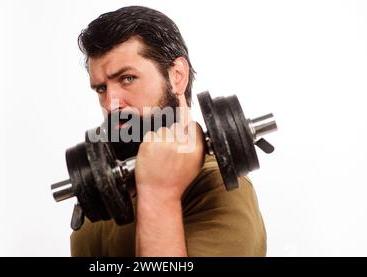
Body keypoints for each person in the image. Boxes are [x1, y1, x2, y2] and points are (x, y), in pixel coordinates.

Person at [70, 5, 266, 257]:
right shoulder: (103, 196)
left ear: (177, 76)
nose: (111, 104)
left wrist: (160, 195)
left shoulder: (221, 191)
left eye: (127, 78)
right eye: (101, 89)